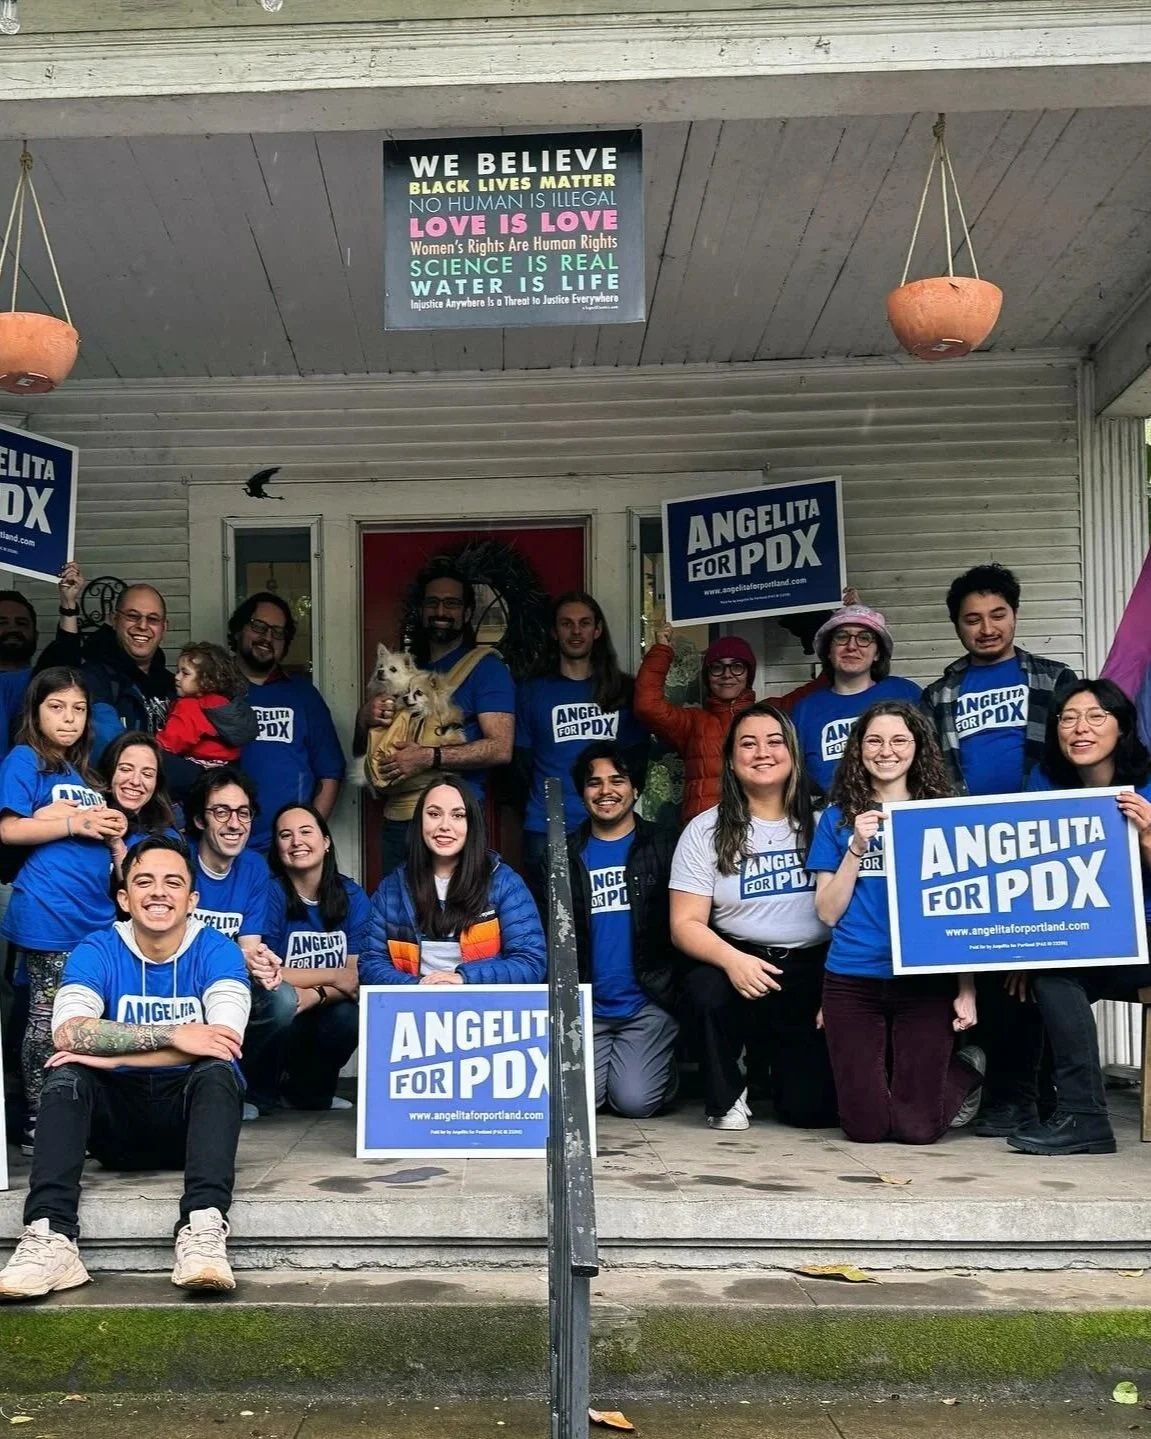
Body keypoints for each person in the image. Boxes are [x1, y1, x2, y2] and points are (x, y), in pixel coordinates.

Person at [0, 836, 250, 1298]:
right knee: (66, 1075)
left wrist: (112, 1056)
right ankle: (51, 1237)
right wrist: (175, 1035)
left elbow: (222, 1043)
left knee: (217, 1074)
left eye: (173, 882)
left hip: (188, 1125)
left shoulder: (218, 951)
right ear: (123, 896)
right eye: (144, 881)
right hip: (114, 1132)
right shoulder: (95, 949)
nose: (159, 892)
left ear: (192, 899)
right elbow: (68, 1034)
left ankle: (203, 1230)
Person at [808, 700, 983, 1145]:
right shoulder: (836, 818)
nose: (887, 750)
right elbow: (827, 911)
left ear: (917, 747)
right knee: (864, 1130)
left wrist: (966, 988)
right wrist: (857, 847)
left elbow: (962, 910)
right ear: (859, 749)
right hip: (852, 978)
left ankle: (966, 1070)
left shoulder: (943, 813)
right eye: (875, 741)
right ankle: (887, 1102)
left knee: (917, 1131)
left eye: (899, 740)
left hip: (924, 978)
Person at [669, 701, 837, 1131]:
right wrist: (733, 960)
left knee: (809, 1112)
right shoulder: (704, 830)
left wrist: (838, 989)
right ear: (730, 759)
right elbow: (685, 924)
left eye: (774, 741)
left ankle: (775, 1068)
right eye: (748, 744)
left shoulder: (825, 821)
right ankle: (727, 1093)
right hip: (739, 961)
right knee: (704, 986)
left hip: (812, 969)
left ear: (793, 753)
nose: (762, 752)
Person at [1000, 679, 1151, 1155]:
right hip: (1090, 938)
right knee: (1026, 973)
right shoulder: (1045, 783)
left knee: (1051, 970)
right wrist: (1027, 949)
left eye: (1095, 716)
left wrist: (1147, 838)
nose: (1079, 728)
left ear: (1122, 727)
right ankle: (1028, 1104)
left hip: (1146, 936)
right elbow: (1027, 874)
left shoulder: (1148, 784)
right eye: (1068, 717)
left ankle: (1081, 1116)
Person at [0, 669, 128, 1148]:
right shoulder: (24, 759)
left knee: (87, 1015)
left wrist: (112, 830)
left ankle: (76, 1112)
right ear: (35, 712)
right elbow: (9, 829)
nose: (69, 718)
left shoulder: (82, 773)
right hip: (48, 909)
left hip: (93, 914)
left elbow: (84, 828)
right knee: (45, 1016)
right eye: (56, 707)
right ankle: (38, 1118)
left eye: (77, 709)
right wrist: (74, 820)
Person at [357, 560, 515, 878]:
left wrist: (428, 757)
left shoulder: (486, 670)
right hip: (398, 820)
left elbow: (501, 748)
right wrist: (365, 718)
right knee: (398, 918)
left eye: (452, 603)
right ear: (422, 611)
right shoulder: (405, 670)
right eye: (433, 603)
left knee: (454, 918)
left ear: (467, 614)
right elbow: (362, 750)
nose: (441, 611)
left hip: (454, 822)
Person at [566, 742, 680, 1117]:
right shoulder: (564, 853)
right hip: (590, 1007)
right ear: (582, 793)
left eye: (618, 780)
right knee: (581, 1104)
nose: (606, 791)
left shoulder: (664, 844)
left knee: (633, 1103)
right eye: (593, 783)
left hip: (646, 1003)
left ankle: (661, 1068)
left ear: (636, 789)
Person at [516, 592, 649, 892]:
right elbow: (520, 764)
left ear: (597, 630)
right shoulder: (532, 691)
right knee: (554, 929)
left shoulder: (623, 690)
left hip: (612, 826)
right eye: (567, 624)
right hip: (547, 829)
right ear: (554, 631)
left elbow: (638, 761)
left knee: (610, 921)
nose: (576, 631)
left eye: (584, 623)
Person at [359, 775, 545, 986]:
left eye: (458, 815)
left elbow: (530, 962)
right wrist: (416, 987)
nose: (444, 825)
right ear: (420, 822)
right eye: (434, 814)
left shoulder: (504, 883)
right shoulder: (392, 888)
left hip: (484, 1009)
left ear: (472, 824)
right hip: (413, 1008)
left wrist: (463, 979)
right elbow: (370, 963)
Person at [635, 626, 824, 825]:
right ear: (708, 677)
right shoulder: (693, 723)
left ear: (748, 674)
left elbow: (824, 687)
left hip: (762, 828)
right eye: (717, 667)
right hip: (706, 832)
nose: (727, 674)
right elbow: (647, 705)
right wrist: (661, 649)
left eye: (737, 666)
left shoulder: (772, 713)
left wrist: (850, 621)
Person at [921, 563, 1076, 796]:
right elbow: (926, 767)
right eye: (973, 620)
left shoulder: (1055, 678)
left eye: (998, 616)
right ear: (956, 625)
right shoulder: (937, 695)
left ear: (1015, 614)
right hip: (963, 822)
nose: (987, 629)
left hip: (1046, 816)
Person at [183, 766, 283, 1116]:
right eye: (221, 812)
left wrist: (259, 962)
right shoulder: (180, 858)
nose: (234, 823)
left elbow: (249, 945)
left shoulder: (254, 867)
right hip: (178, 979)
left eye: (243, 812)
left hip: (226, 978)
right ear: (199, 820)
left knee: (280, 999)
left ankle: (232, 1084)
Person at [265, 802, 369, 1111]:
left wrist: (317, 994)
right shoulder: (271, 894)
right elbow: (270, 972)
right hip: (284, 1008)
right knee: (280, 1004)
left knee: (350, 1017)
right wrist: (333, 976)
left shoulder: (351, 895)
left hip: (324, 1004)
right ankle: (263, 1091)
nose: (297, 841)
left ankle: (312, 1095)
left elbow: (355, 976)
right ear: (277, 848)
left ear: (325, 842)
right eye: (286, 835)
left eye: (306, 832)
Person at [228, 592, 345, 852]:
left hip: (285, 853)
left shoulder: (303, 696)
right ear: (238, 630)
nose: (267, 637)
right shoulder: (214, 691)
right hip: (223, 848)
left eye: (278, 633)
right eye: (259, 626)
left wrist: (304, 839)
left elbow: (330, 774)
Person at [791, 604, 921, 793]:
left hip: (899, 813)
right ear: (828, 650)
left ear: (877, 653)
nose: (852, 646)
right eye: (842, 637)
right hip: (833, 815)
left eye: (864, 638)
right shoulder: (805, 709)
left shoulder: (905, 693)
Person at [42, 583, 178, 760]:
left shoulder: (174, 684)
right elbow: (112, 748)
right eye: (132, 616)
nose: (143, 625)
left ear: (164, 628)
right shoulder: (94, 678)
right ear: (114, 619)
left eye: (153, 619)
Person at [155, 642, 258, 800]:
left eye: (185, 673)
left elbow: (171, 741)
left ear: (206, 681)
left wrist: (148, 748)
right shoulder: (225, 705)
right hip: (228, 773)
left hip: (199, 775)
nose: (176, 677)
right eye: (177, 671)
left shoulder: (189, 706)